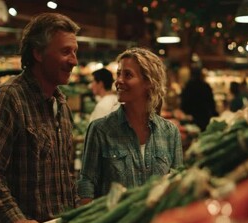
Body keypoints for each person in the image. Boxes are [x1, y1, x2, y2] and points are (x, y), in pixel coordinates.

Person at [0, 13, 80, 223]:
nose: (74, 61)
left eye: (75, 52)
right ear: (38, 53)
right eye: (65, 51)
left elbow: (64, 176)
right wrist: (16, 219)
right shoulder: (7, 99)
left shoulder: (61, 105)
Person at [77, 47, 184, 204]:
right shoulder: (100, 129)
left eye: (127, 75)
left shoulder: (170, 132)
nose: (118, 81)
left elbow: (178, 185)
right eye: (118, 74)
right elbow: (86, 185)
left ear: (148, 82)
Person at [180, 67, 218, 131]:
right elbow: (211, 102)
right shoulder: (205, 86)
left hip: (192, 116)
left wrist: (186, 112)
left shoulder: (188, 86)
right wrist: (214, 113)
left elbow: (184, 102)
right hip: (204, 115)